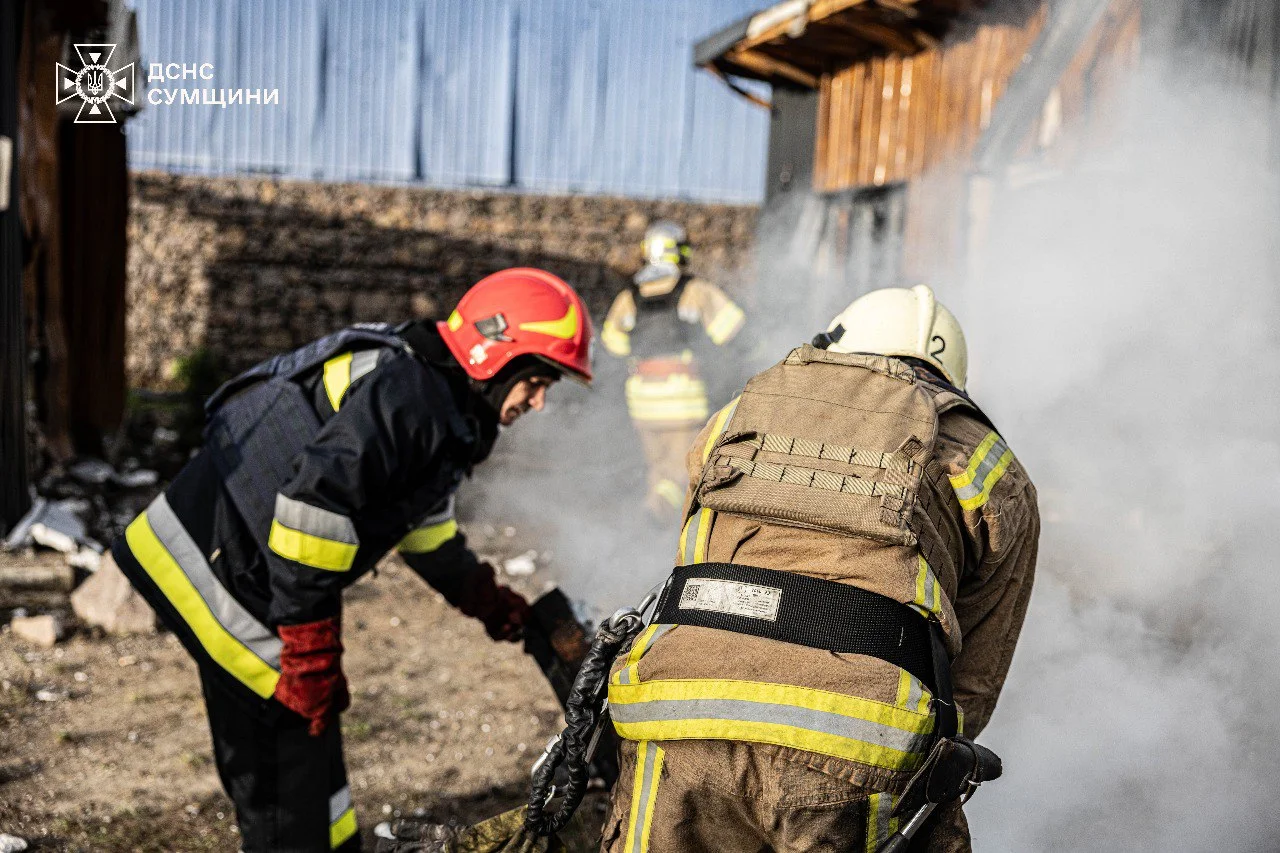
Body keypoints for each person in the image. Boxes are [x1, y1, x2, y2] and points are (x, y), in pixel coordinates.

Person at [109, 268, 593, 853]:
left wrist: (486, 600)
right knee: (288, 751)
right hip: (219, 569)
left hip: (237, 559)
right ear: (495, 351)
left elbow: (421, 524)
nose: (538, 402)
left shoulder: (444, 398)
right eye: (535, 381)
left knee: (301, 758)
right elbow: (312, 511)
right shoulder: (414, 396)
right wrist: (310, 649)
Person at [600, 285, 1039, 853]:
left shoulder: (739, 411)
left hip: (674, 706)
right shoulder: (989, 462)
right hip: (855, 734)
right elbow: (975, 677)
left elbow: (695, 556)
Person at [599, 220, 746, 516]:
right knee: (682, 471)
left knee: (657, 468)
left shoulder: (629, 297)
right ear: (680, 252)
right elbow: (733, 330)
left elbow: (612, 345)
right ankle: (662, 519)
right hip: (684, 401)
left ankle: (650, 521)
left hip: (642, 403)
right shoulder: (696, 290)